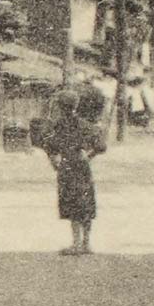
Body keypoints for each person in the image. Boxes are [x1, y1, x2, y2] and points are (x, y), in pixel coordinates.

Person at [41, 81, 106, 255]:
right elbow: (101, 145)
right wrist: (89, 155)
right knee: (85, 203)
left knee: (72, 204)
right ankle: (85, 243)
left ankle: (76, 243)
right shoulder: (84, 124)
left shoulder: (58, 125)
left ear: (60, 107)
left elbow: (47, 144)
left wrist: (54, 161)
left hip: (67, 166)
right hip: (83, 166)